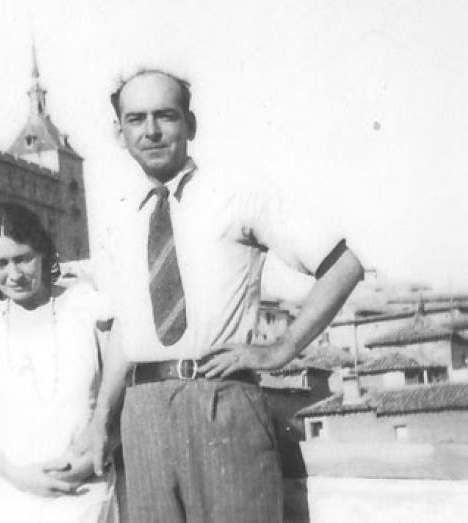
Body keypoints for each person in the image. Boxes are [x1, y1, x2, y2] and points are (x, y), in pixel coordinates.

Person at [86, 69, 364, 522]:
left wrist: (282, 348)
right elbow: (125, 329)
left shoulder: (238, 193)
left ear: (190, 125)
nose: (151, 131)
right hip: (143, 416)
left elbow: (343, 266)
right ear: (119, 133)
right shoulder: (119, 220)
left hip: (223, 402)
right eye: (136, 119)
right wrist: (101, 422)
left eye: (166, 116)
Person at [0, 202, 117, 523]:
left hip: (84, 490)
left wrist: (80, 469)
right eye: (0, 263)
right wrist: (17, 475)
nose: (14, 274)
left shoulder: (87, 309)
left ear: (43, 252)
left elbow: (120, 405)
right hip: (6, 493)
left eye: (23, 258)